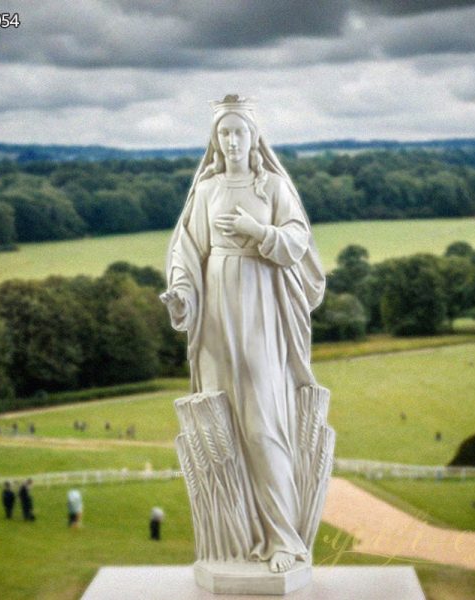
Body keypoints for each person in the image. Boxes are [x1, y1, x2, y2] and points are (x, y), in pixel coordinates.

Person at [161, 95, 325, 574]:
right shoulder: (208, 191)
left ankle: (283, 540)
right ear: (215, 140)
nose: (232, 141)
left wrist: (259, 231)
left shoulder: (272, 186)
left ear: (255, 138)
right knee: (220, 422)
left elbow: (298, 241)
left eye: (239, 132)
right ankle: (236, 538)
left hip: (259, 310)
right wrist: (181, 295)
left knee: (263, 422)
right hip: (215, 313)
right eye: (224, 133)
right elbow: (186, 252)